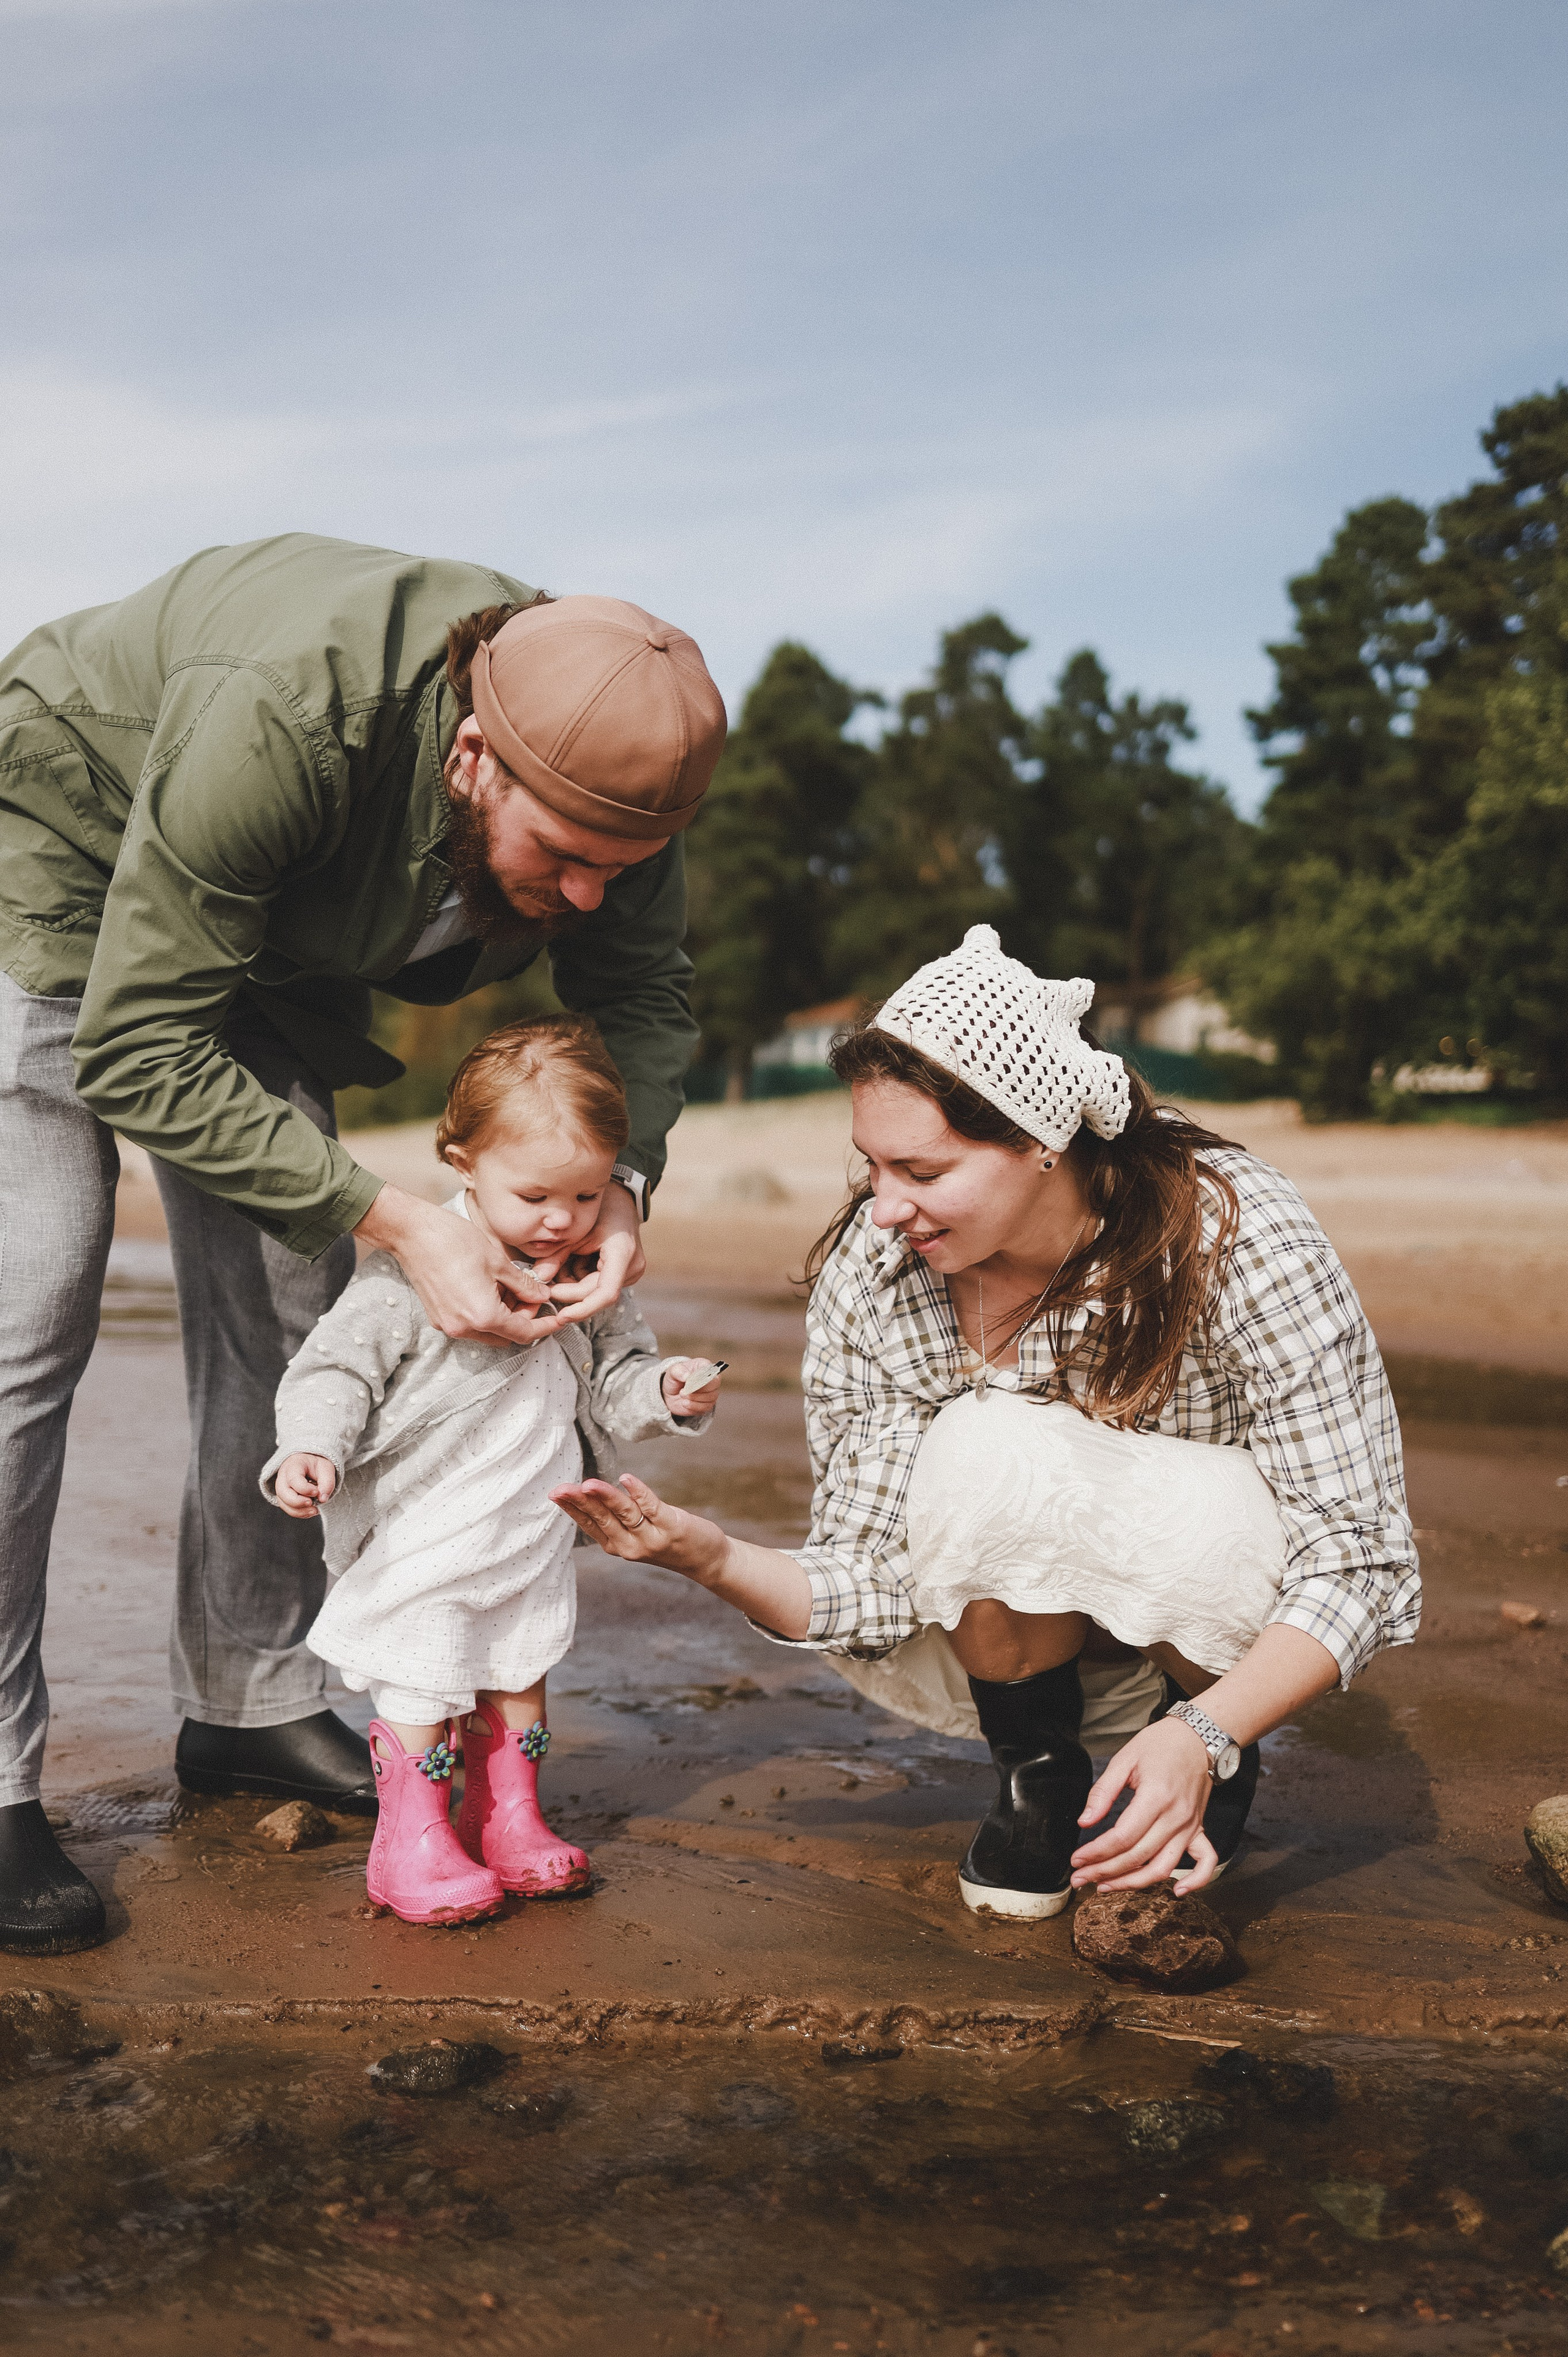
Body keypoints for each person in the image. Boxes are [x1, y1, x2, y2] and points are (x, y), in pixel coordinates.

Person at [0, 537, 725, 1953]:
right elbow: (140, 1046)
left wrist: (625, 1181)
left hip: (259, 926)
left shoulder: (613, 775)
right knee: (32, 1301)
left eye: (617, 867)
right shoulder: (284, 721)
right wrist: (396, 1219)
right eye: (563, 861)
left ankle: (251, 1700)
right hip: (60, 850)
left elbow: (642, 990)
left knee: (288, 1309)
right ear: (472, 759)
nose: (586, 895)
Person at [554, 926, 1422, 1914]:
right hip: (1013, 1633)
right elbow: (880, 1576)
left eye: (922, 1173)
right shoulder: (877, 1275)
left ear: (1041, 1141)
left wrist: (1209, 1734)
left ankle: (1199, 1772)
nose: (882, 1209)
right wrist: (712, 1559)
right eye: (872, 1167)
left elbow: (1359, 1553)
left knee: (1203, 1494)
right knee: (982, 1444)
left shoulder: (1235, 1234)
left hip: (1215, 1631)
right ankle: (1039, 1784)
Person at [263, 1016, 720, 1928]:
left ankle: (507, 1814)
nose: (564, 1220)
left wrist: (665, 1391)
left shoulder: (589, 1271)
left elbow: (618, 1379)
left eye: (591, 1195)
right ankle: (411, 1839)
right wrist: (310, 1447)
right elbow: (334, 1369)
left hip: (529, 1522)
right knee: (426, 1676)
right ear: (461, 1160)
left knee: (520, 1665)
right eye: (537, 1195)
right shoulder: (409, 1270)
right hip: (428, 1526)